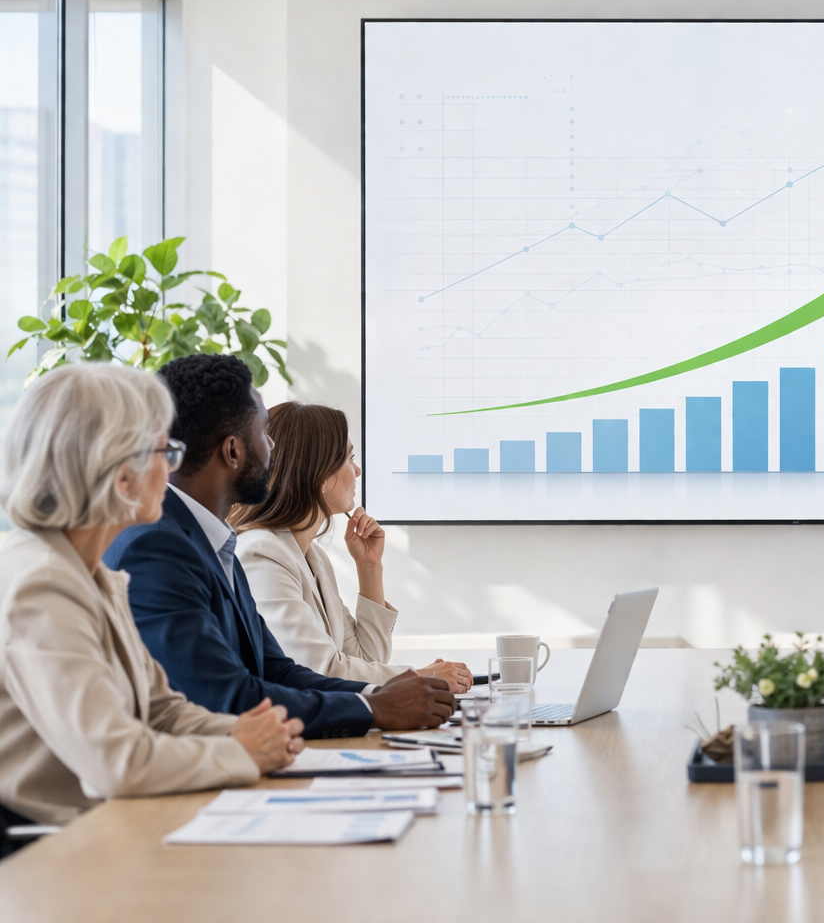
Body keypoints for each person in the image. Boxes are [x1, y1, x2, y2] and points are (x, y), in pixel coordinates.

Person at [0, 364, 303, 848]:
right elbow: (116, 762)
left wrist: (250, 732)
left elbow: (162, 711)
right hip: (49, 851)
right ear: (121, 474)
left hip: (106, 832)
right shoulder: (42, 582)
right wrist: (242, 751)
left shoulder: (91, 572)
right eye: (166, 452)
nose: (173, 469)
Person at [104, 354, 454, 740]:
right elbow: (226, 696)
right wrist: (375, 708)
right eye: (265, 434)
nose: (273, 450)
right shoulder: (157, 547)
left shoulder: (213, 543)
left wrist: (378, 696)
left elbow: (277, 670)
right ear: (233, 451)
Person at [230, 402, 471, 691]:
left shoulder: (314, 558)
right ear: (320, 475)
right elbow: (318, 671)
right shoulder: (261, 554)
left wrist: (369, 568)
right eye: (349, 458)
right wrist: (422, 676)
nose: (357, 471)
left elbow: (367, 660)